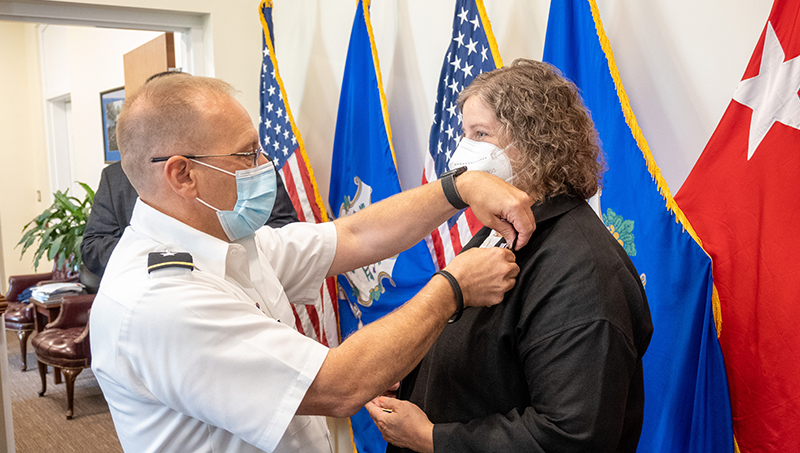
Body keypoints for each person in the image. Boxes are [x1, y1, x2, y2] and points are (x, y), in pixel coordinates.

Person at [88, 73, 536, 452]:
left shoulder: (230, 239)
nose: (265, 165)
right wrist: (452, 288)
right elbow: (337, 385)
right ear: (183, 174)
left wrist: (459, 189)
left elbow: (353, 236)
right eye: (247, 154)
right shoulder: (160, 299)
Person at [366, 59, 654, 452]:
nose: (462, 152)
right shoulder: (506, 232)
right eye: (465, 133)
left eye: (480, 134)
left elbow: (572, 435)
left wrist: (432, 438)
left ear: (536, 141)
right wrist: (417, 374)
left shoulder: (583, 271)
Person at [81, 75, 299, 282]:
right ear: (183, 175)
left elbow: (287, 229)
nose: (260, 162)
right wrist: (177, 254)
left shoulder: (253, 164)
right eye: (247, 153)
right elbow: (93, 244)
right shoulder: (114, 178)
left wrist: (232, 245)